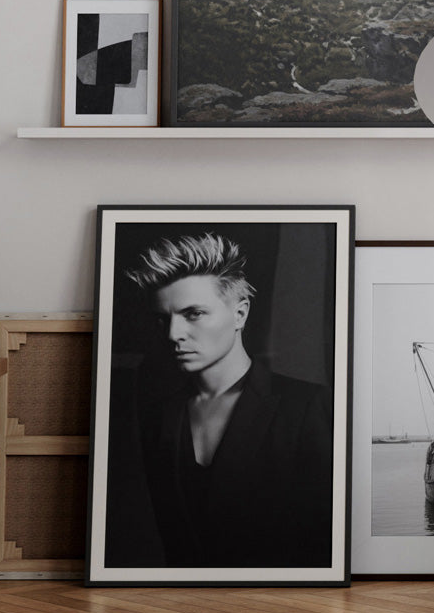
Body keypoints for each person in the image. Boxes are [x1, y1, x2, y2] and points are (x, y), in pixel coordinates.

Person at [122, 232, 333, 569]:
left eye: (193, 314)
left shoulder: (306, 407)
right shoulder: (160, 416)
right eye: (163, 319)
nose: (174, 334)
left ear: (240, 314)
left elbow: (323, 539)